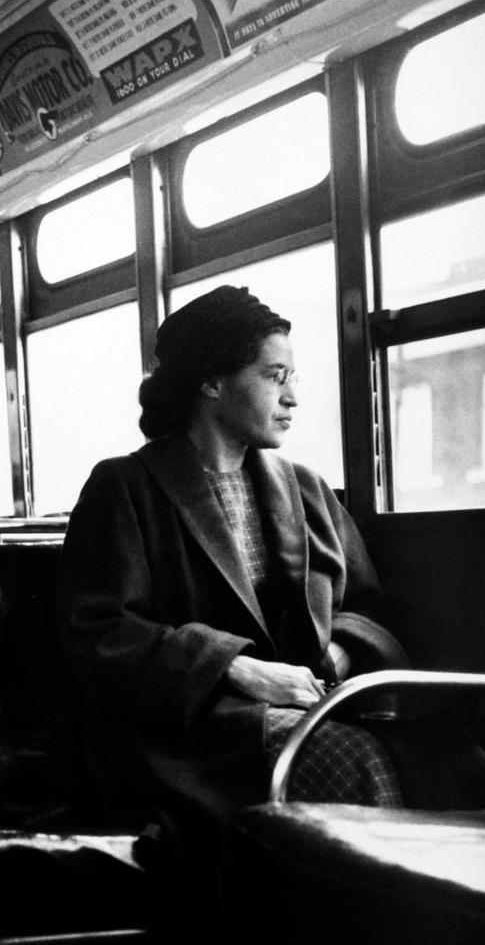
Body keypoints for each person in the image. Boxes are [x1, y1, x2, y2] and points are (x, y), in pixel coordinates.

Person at [56, 285, 411, 844]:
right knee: (353, 761)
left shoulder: (307, 488)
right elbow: (98, 633)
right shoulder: (124, 487)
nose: (293, 397)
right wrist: (234, 668)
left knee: (452, 758)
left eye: (293, 377)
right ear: (212, 381)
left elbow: (367, 607)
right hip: (188, 733)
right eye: (276, 376)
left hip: (311, 704)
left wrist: (333, 660)